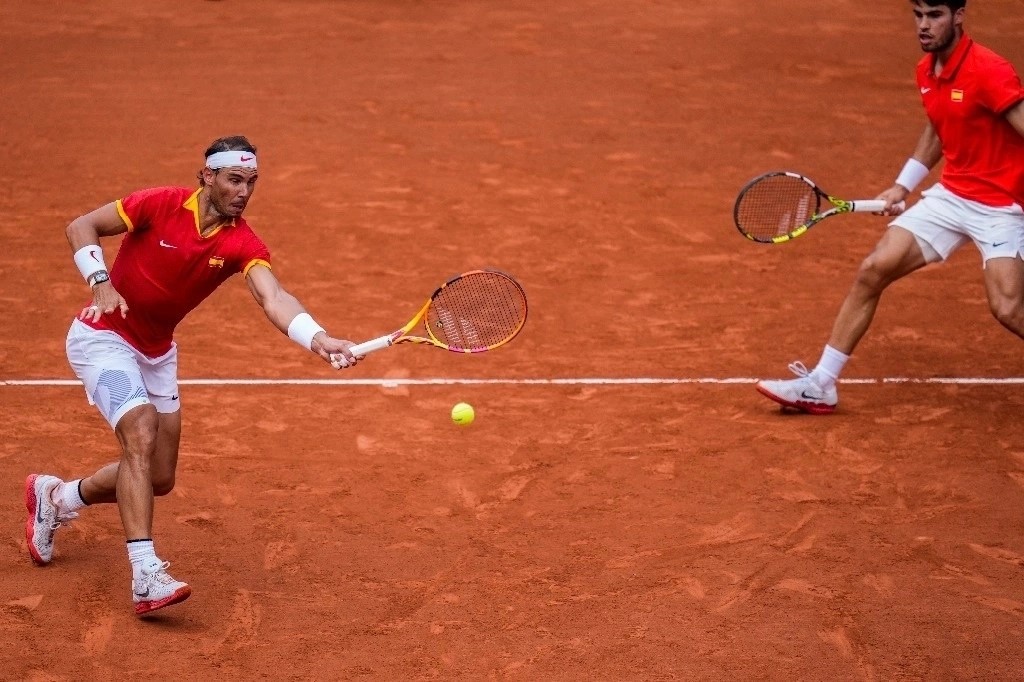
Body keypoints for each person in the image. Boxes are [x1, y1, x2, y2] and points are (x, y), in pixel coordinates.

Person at [25, 135, 360, 616]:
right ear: (207, 176)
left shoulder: (242, 242)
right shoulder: (159, 204)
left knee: (158, 477)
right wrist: (100, 282)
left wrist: (319, 337)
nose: (243, 192)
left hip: (156, 353)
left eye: (251, 182)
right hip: (102, 339)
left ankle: (57, 497)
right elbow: (81, 227)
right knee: (140, 430)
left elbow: (275, 298)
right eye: (233, 179)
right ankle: (145, 573)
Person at [757, 0, 1024, 415]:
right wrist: (904, 185)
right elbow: (940, 126)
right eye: (917, 15)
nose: (924, 25)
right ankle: (821, 384)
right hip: (952, 195)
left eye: (934, 15)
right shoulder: (927, 71)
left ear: (958, 16)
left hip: (1001, 205)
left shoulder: (989, 69)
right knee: (873, 269)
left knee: (1008, 308)